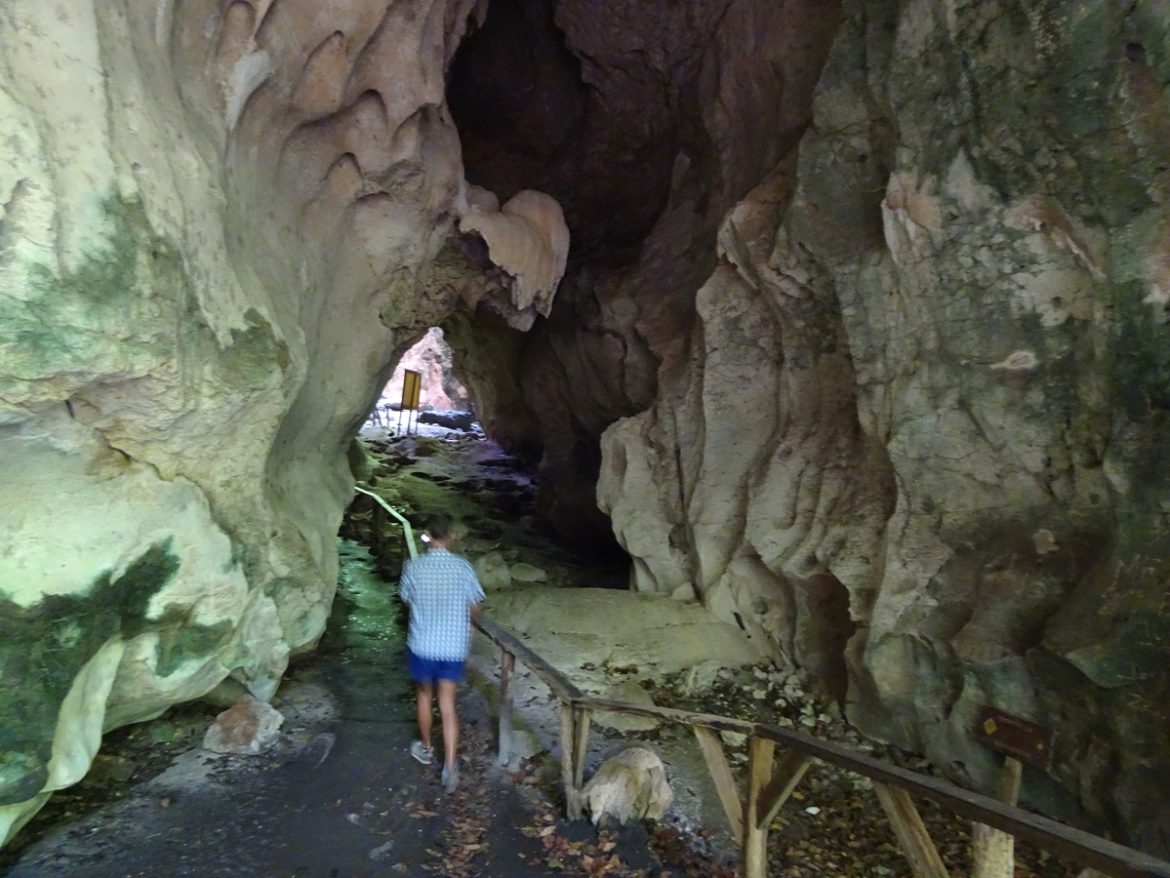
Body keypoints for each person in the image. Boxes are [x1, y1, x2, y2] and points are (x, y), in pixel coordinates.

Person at [399, 513, 485, 793]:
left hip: (422, 645)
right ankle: (449, 765)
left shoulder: (414, 566)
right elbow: (475, 607)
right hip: (451, 647)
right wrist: (466, 625)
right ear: (449, 537)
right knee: (447, 704)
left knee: (424, 696)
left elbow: (408, 602)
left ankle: (425, 748)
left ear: (428, 536)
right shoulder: (463, 567)